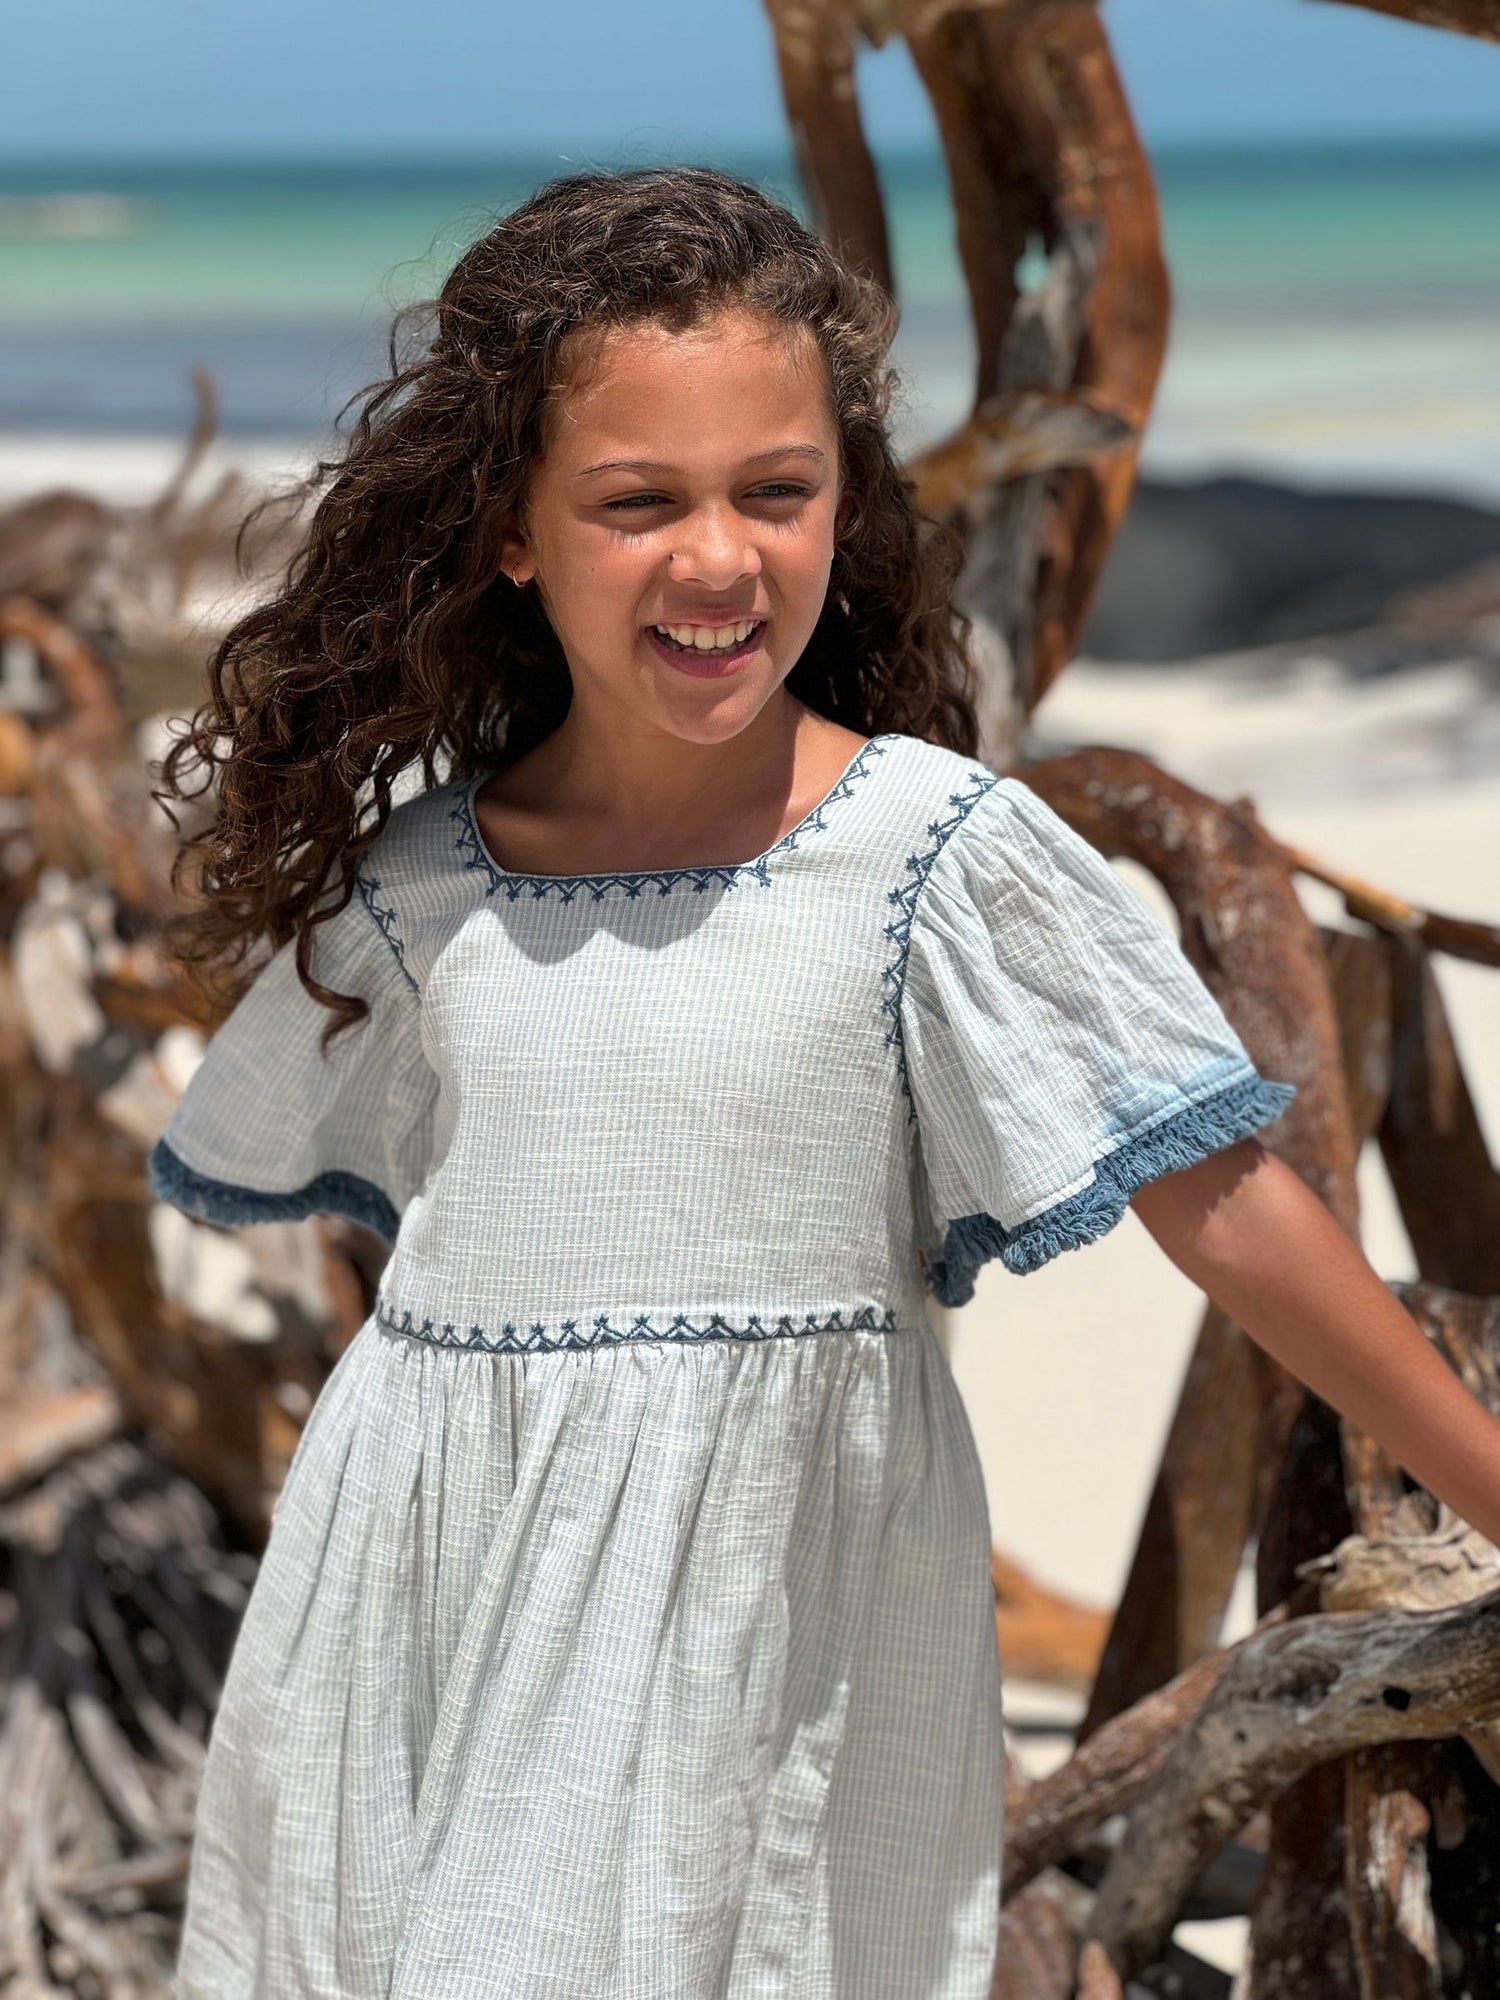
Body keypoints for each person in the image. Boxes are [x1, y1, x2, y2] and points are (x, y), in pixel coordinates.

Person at [147, 164, 1500, 2000]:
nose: (719, 558)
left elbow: (1227, 1203)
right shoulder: (420, 890)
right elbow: (405, 1265)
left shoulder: (931, 859)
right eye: (637, 501)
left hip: (780, 1633)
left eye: (775, 491)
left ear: (844, 502)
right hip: (421, 1619)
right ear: (513, 532)